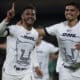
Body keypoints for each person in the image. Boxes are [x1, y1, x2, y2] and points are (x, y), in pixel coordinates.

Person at [37, 1, 80, 80]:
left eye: (72, 10)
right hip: (65, 70)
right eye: (67, 10)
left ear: (78, 13)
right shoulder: (59, 27)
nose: (68, 12)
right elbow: (40, 31)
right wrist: (22, 28)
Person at [0, 3, 43, 80]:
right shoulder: (14, 29)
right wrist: (7, 18)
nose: (30, 16)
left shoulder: (35, 33)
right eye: (27, 14)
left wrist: (36, 66)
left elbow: (32, 50)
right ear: (22, 16)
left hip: (26, 73)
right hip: (9, 73)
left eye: (33, 14)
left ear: (35, 17)